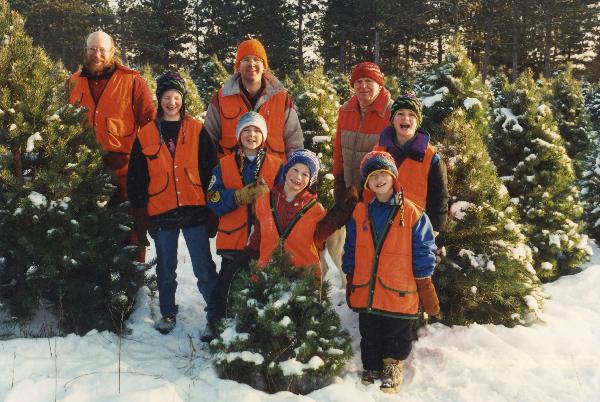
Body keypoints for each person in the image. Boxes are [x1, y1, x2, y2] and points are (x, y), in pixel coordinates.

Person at [127, 72, 218, 337]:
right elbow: (136, 177)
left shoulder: (197, 130)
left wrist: (212, 209)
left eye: (176, 97)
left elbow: (211, 172)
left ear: (183, 99)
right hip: (161, 211)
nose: (172, 102)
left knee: (203, 267)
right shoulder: (145, 135)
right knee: (166, 268)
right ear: (160, 100)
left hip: (195, 210)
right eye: (167, 97)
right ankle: (168, 312)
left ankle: (215, 315)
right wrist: (141, 213)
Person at [342, 151, 439, 393]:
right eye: (372, 177)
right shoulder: (360, 212)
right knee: (370, 331)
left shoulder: (413, 213)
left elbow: (424, 247)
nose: (378, 180)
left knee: (396, 332)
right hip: (368, 288)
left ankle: (393, 365)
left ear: (393, 177)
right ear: (367, 183)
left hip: (399, 288)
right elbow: (351, 246)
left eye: (383, 174)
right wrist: (350, 272)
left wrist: (423, 277)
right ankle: (372, 365)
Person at [207, 111, 282, 321]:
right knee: (226, 287)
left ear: (263, 135)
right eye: (246, 130)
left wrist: (269, 197)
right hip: (234, 238)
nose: (251, 135)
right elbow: (212, 199)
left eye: (256, 131)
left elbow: (286, 198)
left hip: (264, 240)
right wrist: (238, 196)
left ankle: (255, 329)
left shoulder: (277, 165)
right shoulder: (223, 165)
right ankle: (215, 323)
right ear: (239, 135)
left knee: (261, 287)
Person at [67, 30, 155, 203]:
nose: (96, 55)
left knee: (127, 222)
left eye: (102, 50)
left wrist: (151, 163)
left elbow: (150, 122)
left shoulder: (133, 82)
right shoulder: (73, 82)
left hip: (123, 168)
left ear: (112, 51)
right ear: (85, 51)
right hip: (83, 166)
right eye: (92, 49)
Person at [246, 149, 355, 279]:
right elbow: (258, 234)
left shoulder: (314, 209)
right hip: (267, 277)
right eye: (295, 170)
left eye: (305, 174)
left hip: (302, 281)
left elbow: (319, 235)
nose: (298, 177)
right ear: (286, 171)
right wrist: (247, 257)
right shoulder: (265, 201)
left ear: (310, 181)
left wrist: (341, 212)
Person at [203, 38, 303, 160]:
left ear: (264, 66)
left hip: (274, 175)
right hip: (231, 174)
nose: (252, 64)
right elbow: (208, 141)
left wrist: (293, 170)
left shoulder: (282, 99)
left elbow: (294, 141)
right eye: (246, 60)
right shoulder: (221, 98)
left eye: (257, 60)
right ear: (238, 66)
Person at [373, 92, 449, 234]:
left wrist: (433, 230)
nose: (405, 118)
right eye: (400, 113)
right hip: (381, 225)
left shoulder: (431, 157)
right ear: (392, 119)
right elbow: (367, 189)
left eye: (411, 115)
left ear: (418, 121)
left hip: (415, 228)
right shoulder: (379, 150)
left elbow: (439, 198)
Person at [332, 61, 392, 203]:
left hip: (378, 194)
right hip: (349, 191)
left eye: (368, 81)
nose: (363, 86)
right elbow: (338, 149)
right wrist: (339, 181)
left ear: (379, 84)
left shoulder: (393, 113)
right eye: (358, 81)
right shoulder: (346, 110)